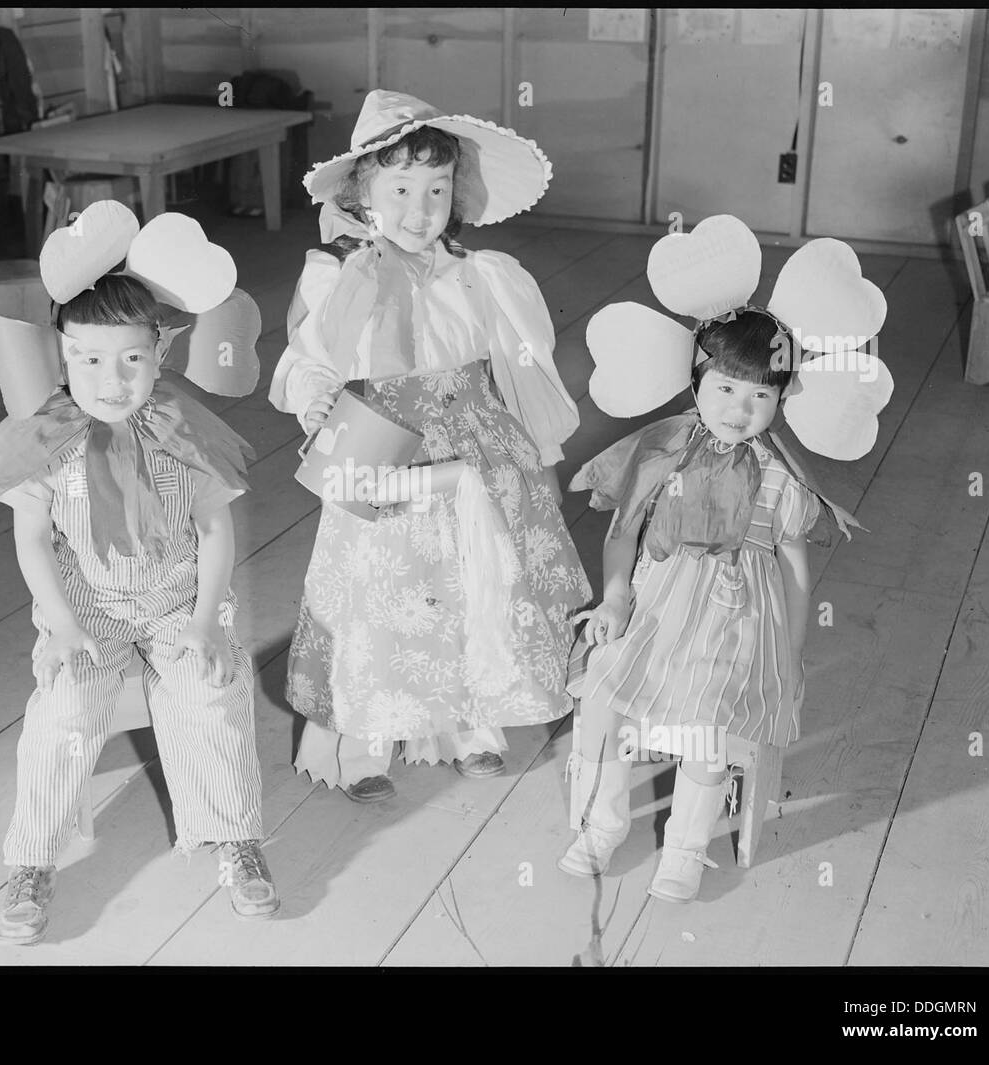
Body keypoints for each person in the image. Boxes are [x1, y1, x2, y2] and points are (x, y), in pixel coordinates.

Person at [0, 202, 279, 943]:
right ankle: (33, 858)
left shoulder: (183, 429)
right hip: (85, 606)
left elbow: (216, 526)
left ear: (161, 353)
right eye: (89, 359)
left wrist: (204, 621)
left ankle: (235, 838)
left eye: (132, 358)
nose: (112, 378)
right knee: (62, 713)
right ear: (62, 355)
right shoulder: (43, 439)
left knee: (212, 696)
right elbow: (33, 540)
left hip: (177, 599)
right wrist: (62, 625)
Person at [270, 89, 592, 801]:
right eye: (401, 188)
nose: (420, 209)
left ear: (458, 192)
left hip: (473, 446)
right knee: (382, 588)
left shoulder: (480, 275)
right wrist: (313, 394)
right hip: (382, 445)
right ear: (363, 191)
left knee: (478, 578)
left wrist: (520, 438)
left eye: (438, 189)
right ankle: (364, 734)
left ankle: (473, 717)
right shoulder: (339, 275)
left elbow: (512, 362)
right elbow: (309, 355)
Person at [561, 214, 892, 902]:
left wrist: (792, 642)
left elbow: (795, 561)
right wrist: (615, 593)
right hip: (655, 601)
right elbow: (622, 530)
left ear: (782, 399)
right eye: (726, 389)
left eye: (761, 395)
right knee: (607, 694)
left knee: (705, 719)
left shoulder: (776, 476)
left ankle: (686, 843)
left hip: (735, 618)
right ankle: (604, 822)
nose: (742, 409)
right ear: (695, 383)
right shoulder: (661, 452)